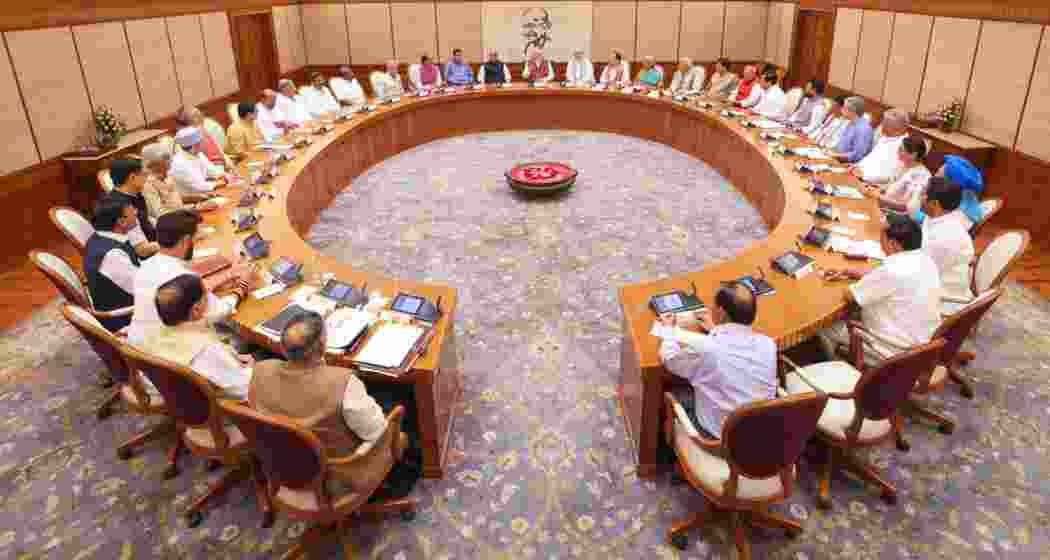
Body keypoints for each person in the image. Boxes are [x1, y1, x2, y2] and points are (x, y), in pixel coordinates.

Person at [251, 311, 388, 458]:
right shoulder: (344, 383)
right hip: (338, 464)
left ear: (282, 347)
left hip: (281, 457)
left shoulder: (260, 369)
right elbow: (375, 431)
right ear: (322, 346)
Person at [658, 282, 777, 438]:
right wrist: (715, 329)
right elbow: (733, 353)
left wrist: (668, 330)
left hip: (720, 442)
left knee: (673, 391)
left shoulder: (708, 348)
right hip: (764, 435)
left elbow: (669, 358)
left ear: (721, 313)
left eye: (713, 305)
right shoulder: (768, 344)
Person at [819, 217, 942, 361]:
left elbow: (850, 295)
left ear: (893, 244)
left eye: (881, 240)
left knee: (826, 327)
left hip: (891, 352)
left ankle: (842, 370)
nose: (880, 244)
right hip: (922, 346)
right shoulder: (925, 260)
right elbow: (886, 280)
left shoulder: (892, 270)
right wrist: (850, 272)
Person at [127, 210, 252, 346]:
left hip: (141, 345)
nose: (196, 243)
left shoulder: (145, 267)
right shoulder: (182, 276)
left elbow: (187, 293)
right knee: (245, 338)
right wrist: (240, 290)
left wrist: (225, 278)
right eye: (196, 238)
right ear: (186, 241)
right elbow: (219, 312)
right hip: (174, 351)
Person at [141, 274, 253, 399]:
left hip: (177, 395)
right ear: (196, 309)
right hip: (219, 404)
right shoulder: (206, 350)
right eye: (207, 296)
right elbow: (245, 388)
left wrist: (232, 357)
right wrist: (252, 367)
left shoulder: (161, 330)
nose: (210, 299)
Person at [83, 196, 141, 332]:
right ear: (121, 222)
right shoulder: (112, 255)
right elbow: (143, 288)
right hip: (127, 318)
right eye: (133, 212)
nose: (136, 213)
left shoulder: (103, 237)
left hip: (130, 301)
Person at [919, 178, 975, 300]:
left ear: (934, 204)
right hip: (930, 275)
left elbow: (923, 273)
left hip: (942, 295)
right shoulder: (937, 217)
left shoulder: (945, 236)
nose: (919, 196)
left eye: (923, 193)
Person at [140, 142, 217, 221]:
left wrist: (197, 197)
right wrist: (196, 208)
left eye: (169, 157)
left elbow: (175, 198)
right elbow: (161, 215)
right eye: (165, 158)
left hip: (184, 216)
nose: (170, 160)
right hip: (172, 225)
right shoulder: (148, 185)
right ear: (153, 164)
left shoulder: (167, 176)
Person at [864, 135, 931, 215]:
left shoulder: (922, 177)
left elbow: (906, 207)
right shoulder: (903, 165)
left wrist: (878, 197)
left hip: (896, 216)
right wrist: (865, 179)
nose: (897, 152)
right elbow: (890, 182)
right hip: (883, 206)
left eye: (901, 150)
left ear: (913, 155)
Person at [914, 155, 985, 228]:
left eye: (938, 173)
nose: (934, 176)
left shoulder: (956, 217)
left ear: (948, 184)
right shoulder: (967, 198)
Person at [107, 159, 159, 257]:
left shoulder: (135, 195)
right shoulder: (122, 208)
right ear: (132, 177)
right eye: (144, 175)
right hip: (144, 260)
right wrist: (170, 243)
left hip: (154, 244)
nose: (146, 179)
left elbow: (146, 220)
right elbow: (141, 250)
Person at [853, 109, 910, 184]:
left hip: (872, 185)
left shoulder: (904, 146)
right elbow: (870, 158)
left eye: (885, 124)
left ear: (896, 128)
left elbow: (891, 176)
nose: (881, 125)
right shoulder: (886, 137)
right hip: (859, 177)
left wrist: (864, 176)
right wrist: (856, 166)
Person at [175, 106, 229, 171]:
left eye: (200, 113)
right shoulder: (182, 142)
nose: (201, 117)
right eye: (195, 116)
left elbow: (220, 153)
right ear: (186, 124)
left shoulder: (203, 131)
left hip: (219, 170)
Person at [171, 126, 220, 194]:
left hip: (205, 193)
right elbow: (199, 187)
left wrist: (223, 176)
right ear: (195, 146)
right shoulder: (179, 163)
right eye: (201, 141)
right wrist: (217, 183)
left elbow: (213, 171)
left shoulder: (197, 153)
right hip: (193, 199)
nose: (205, 143)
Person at [829, 96, 875, 163]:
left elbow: (857, 155)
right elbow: (842, 146)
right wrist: (830, 151)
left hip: (847, 165)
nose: (841, 109)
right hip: (837, 159)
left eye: (844, 107)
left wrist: (835, 155)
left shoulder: (864, 129)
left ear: (852, 110)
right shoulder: (851, 123)